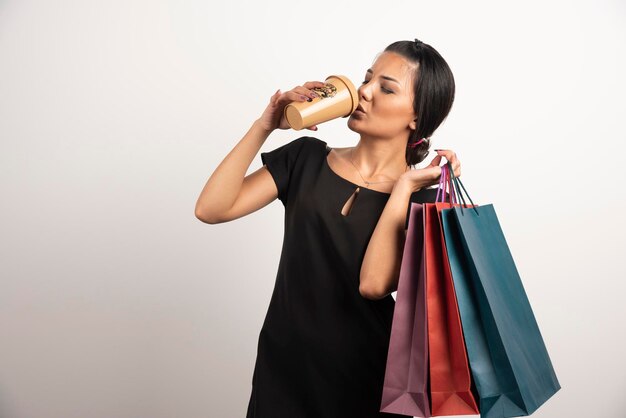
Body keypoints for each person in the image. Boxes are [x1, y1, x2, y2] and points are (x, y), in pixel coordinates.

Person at [195, 38, 461, 418]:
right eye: (366, 79)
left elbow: (373, 284)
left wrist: (404, 185)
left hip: (368, 382)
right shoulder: (304, 159)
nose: (364, 92)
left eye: (386, 88)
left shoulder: (423, 202)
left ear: (416, 118)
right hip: (283, 373)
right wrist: (265, 125)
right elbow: (211, 208)